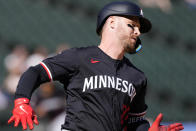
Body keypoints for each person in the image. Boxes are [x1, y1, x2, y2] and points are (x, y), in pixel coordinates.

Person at [7, 1, 184, 131]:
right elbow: (35, 72)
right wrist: (22, 100)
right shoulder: (79, 57)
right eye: (132, 25)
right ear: (112, 23)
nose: (137, 32)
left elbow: (133, 123)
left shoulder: (137, 76)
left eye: (138, 28)